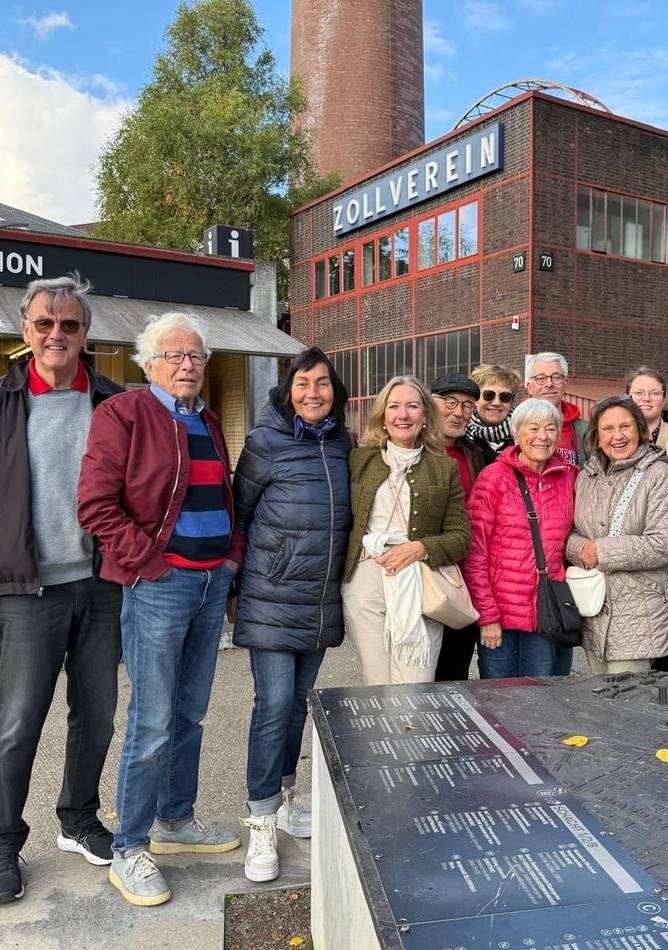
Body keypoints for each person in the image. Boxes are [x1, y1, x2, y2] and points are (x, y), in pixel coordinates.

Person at [78, 312, 244, 906]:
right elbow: (96, 505)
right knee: (151, 721)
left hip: (207, 587)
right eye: (174, 355)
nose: (186, 365)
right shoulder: (121, 414)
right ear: (147, 362)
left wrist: (230, 559)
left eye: (196, 356)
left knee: (191, 713)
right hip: (160, 587)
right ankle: (129, 847)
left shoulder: (208, 421)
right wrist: (150, 563)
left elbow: (223, 495)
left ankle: (176, 822)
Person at [0, 275, 123, 906]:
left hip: (101, 584)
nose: (56, 335)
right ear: (25, 329)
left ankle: (78, 819)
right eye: (44, 324)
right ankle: (1, 842)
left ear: (85, 334)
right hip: (24, 590)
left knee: (98, 714)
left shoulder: (115, 402)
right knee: (17, 722)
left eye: (70, 325)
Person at [230, 348, 352, 883]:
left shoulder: (346, 445)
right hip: (272, 595)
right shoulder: (264, 443)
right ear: (287, 391)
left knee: (298, 706)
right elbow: (241, 515)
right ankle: (260, 820)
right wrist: (235, 588)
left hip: (320, 598)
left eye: (323, 384)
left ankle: (284, 795)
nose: (313, 393)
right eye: (303, 383)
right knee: (274, 705)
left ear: (336, 393)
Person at [342, 376, 470, 686]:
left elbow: (460, 537)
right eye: (394, 406)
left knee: (415, 686)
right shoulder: (359, 459)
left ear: (425, 416)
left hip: (420, 585)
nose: (403, 414)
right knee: (377, 684)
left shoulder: (443, 466)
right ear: (382, 416)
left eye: (412, 406)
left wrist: (418, 548)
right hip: (366, 585)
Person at [567, 396, 668, 674]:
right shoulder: (587, 477)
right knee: (601, 700)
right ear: (597, 435)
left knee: (628, 704)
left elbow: (664, 544)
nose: (617, 436)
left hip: (639, 615)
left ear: (639, 429)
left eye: (626, 427)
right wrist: (580, 549)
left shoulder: (659, 475)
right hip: (595, 612)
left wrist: (601, 552)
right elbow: (570, 532)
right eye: (608, 429)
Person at [463, 399, 576, 678]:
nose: (542, 436)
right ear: (517, 433)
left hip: (545, 614)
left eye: (551, 429)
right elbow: (476, 553)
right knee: (499, 699)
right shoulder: (494, 478)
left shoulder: (567, 479)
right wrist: (487, 616)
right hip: (499, 616)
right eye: (533, 428)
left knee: (540, 697)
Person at [429, 372, 486, 682]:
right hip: (422, 577)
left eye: (466, 405)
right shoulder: (411, 451)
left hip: (463, 584)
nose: (458, 411)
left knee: (454, 675)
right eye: (449, 401)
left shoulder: (476, 456)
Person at [524, 352, 588, 468]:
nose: (549, 384)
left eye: (556, 377)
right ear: (529, 387)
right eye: (541, 378)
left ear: (565, 383)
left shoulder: (585, 431)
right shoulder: (514, 428)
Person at [465, 363, 522, 465]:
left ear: (512, 401)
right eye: (488, 395)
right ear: (475, 399)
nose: (496, 403)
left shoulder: (524, 436)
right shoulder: (461, 437)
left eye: (505, 397)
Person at [626, 365, 668, 457]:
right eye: (639, 393)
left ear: (663, 399)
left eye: (654, 393)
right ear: (627, 398)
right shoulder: (614, 438)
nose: (646, 398)